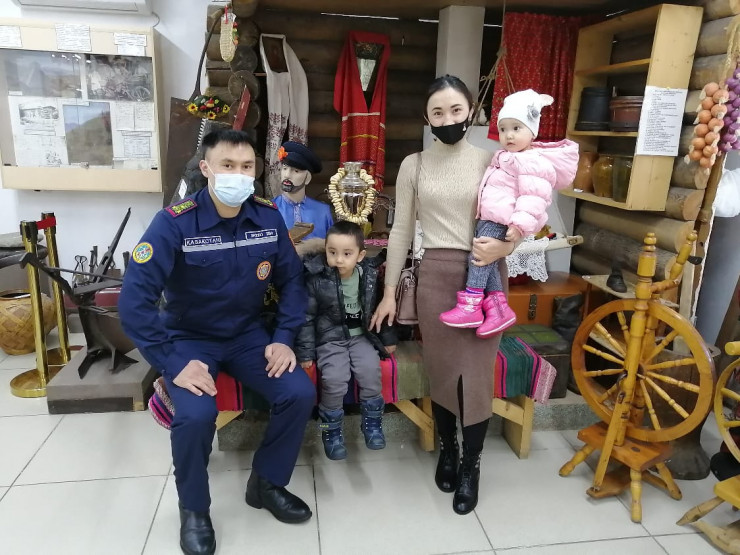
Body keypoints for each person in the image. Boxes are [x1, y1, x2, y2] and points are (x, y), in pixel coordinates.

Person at [118, 128, 315, 555]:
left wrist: (283, 338)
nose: (238, 175)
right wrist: (171, 362)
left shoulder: (267, 217)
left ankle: (266, 484)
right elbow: (133, 302)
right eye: (228, 165)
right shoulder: (174, 223)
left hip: (247, 336)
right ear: (207, 168)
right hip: (189, 340)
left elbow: (293, 282)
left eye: (246, 167)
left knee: (298, 392)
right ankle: (194, 509)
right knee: (195, 415)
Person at [370, 75, 520, 516]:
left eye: (456, 110)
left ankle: (472, 465)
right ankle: (448, 450)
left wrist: (505, 248)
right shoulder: (414, 165)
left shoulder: (493, 161)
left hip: (485, 278)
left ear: (471, 111)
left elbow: (522, 217)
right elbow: (401, 231)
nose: (448, 118)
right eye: (438, 112)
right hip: (435, 277)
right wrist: (389, 293)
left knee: (475, 376)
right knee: (442, 373)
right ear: (427, 117)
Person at [439, 89, 578, 336]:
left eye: (516, 128)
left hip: (502, 220)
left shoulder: (531, 161)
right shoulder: (507, 156)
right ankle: (498, 308)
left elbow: (534, 197)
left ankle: (471, 303)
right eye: (503, 129)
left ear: (532, 131)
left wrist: (519, 225)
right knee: (489, 261)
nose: (508, 135)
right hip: (491, 216)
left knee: (480, 258)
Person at [295, 221, 397, 460]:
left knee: (370, 371)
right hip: (330, 339)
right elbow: (306, 317)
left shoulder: (368, 275)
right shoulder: (316, 278)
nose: (338, 259)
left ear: (360, 255)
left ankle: (372, 423)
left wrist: (387, 337)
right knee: (334, 379)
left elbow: (378, 309)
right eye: (332, 252)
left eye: (346, 254)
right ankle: (329, 430)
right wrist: (305, 352)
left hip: (361, 336)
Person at [273, 140, 334, 241]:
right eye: (284, 168)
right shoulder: (269, 210)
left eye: (296, 171)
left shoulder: (323, 212)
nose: (287, 175)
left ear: (307, 178)